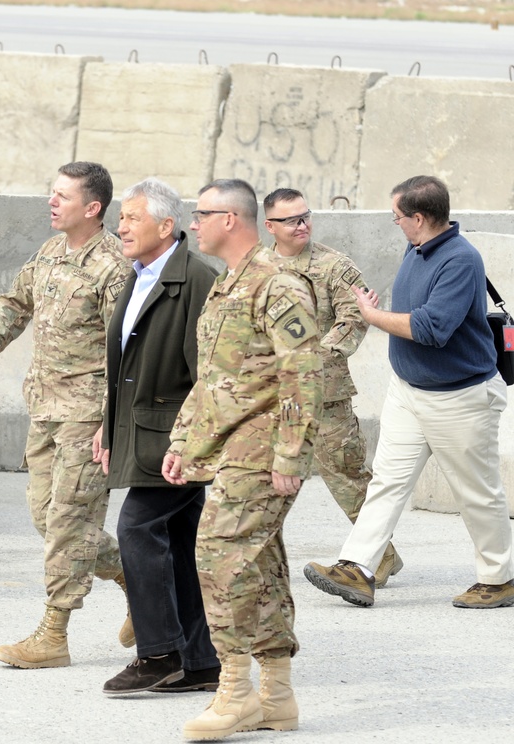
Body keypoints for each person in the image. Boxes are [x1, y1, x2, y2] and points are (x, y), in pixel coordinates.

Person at [304, 175, 514, 610]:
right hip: (408, 390)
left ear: (419, 218)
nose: (395, 223)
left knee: (478, 492)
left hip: (459, 398)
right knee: (387, 482)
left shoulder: (460, 260)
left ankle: (500, 579)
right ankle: (358, 568)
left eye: (398, 216)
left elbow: (431, 329)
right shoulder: (416, 247)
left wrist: (373, 315)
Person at [162, 179, 322, 740]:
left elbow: (304, 371)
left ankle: (235, 692)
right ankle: (277, 695)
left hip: (262, 450)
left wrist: (290, 454)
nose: (192, 224)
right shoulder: (230, 283)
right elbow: (214, 378)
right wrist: (184, 442)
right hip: (229, 448)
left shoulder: (277, 285)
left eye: (200, 214)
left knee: (220, 556)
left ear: (229, 219)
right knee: (261, 564)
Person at [0, 161, 132, 669]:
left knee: (68, 524)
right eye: (51, 194)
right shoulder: (52, 251)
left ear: (92, 208)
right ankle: (140, 582)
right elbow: (15, 303)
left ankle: (53, 633)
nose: (51, 202)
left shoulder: (113, 266)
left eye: (62, 196)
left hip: (87, 413)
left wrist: (110, 417)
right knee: (47, 516)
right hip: (46, 408)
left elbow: (125, 351)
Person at [93, 178, 220, 696]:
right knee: (180, 542)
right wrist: (109, 420)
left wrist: (192, 443)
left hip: (173, 441)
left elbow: (207, 374)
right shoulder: (140, 274)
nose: (121, 226)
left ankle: (158, 652)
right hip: (143, 432)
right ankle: (200, 661)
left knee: (137, 530)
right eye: (121, 218)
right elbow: (124, 364)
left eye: (132, 218)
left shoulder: (195, 281)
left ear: (166, 226)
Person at [263, 188, 402, 589]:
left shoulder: (333, 266)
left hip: (325, 394)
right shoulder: (255, 268)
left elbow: (355, 317)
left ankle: (379, 554)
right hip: (269, 396)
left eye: (305, 216)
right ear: (270, 226)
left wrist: (312, 360)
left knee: (346, 475)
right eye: (291, 220)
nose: (302, 224)